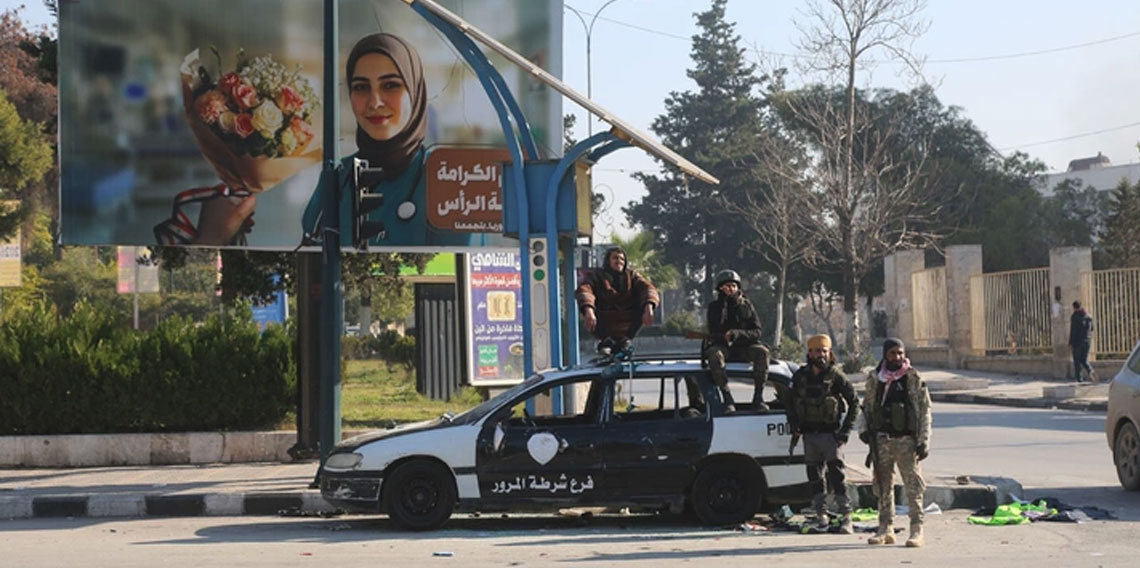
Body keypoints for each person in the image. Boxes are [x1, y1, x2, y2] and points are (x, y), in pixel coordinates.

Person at [191, 33, 474, 247]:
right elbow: (311, 259)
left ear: (416, 92)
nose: (374, 102)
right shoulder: (338, 177)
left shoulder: (447, 182)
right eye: (361, 87)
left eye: (391, 85)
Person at [858, 337, 932, 548]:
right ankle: (885, 528)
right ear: (885, 355)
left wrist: (923, 440)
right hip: (882, 440)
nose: (897, 357)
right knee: (882, 486)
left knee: (913, 487)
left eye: (900, 353)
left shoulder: (913, 378)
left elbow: (925, 411)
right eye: (893, 353)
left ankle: (917, 530)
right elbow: (867, 406)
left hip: (906, 441)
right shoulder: (876, 378)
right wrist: (863, 429)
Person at [786, 334, 859, 534]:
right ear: (809, 353)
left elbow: (854, 402)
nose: (821, 355)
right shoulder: (800, 376)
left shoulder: (835, 376)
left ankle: (846, 517)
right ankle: (821, 516)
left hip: (831, 436)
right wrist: (794, 424)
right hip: (809, 436)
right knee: (815, 478)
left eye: (825, 351)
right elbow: (790, 404)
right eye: (817, 351)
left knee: (838, 477)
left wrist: (845, 431)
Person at [703, 269, 770, 413]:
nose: (731, 289)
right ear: (720, 288)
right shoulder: (714, 307)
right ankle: (727, 398)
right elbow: (712, 331)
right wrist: (723, 335)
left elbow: (757, 331)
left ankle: (758, 398)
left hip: (744, 347)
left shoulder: (746, 306)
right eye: (727, 286)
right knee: (714, 354)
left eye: (734, 285)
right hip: (723, 347)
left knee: (762, 352)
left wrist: (737, 334)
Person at [575, 247, 658, 355]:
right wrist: (588, 310)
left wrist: (649, 307)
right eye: (615, 258)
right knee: (586, 302)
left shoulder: (631, 275)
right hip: (604, 321)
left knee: (645, 301)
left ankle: (626, 341)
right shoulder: (597, 275)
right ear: (608, 260)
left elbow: (648, 288)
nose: (619, 261)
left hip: (628, 322)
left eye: (621, 259)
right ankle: (606, 342)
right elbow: (585, 289)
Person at [1069, 301, 1098, 382]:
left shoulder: (1074, 317)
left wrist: (1071, 343)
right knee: (1084, 359)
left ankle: (1079, 378)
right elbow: (1092, 329)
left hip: (1077, 342)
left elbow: (1073, 331)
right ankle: (1090, 370)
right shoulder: (1088, 316)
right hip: (1087, 341)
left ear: (1074, 308)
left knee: (1077, 360)